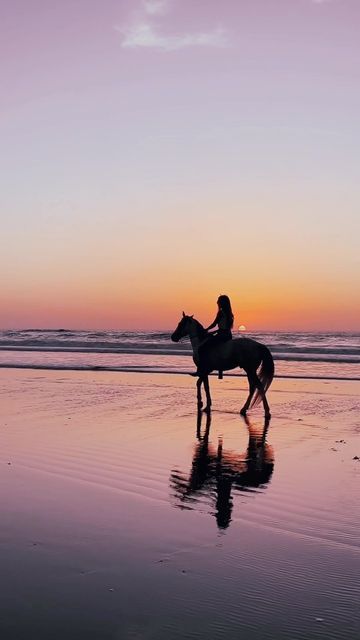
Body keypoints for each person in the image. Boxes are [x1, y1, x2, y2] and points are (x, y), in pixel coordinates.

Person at [192, 295, 234, 376]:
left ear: (222, 302)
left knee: (202, 348)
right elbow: (226, 328)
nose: (217, 302)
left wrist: (206, 330)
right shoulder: (230, 313)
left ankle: (202, 369)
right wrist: (214, 332)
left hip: (222, 336)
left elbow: (214, 324)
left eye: (218, 300)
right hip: (228, 336)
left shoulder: (221, 312)